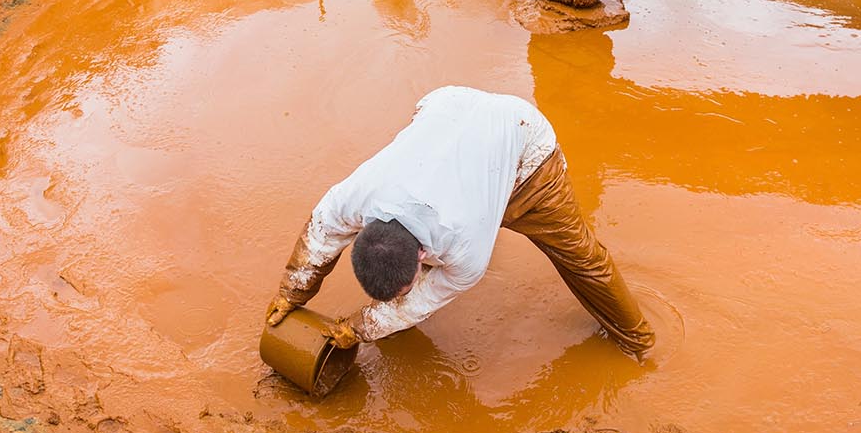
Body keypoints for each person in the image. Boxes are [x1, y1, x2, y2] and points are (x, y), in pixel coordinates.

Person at [263, 86, 655, 358]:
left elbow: (421, 300)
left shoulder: (467, 249)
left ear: (421, 255)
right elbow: (318, 241)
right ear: (364, 228)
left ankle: (638, 340)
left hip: (524, 150)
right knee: (396, 283)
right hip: (446, 106)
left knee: (582, 258)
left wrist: (362, 328)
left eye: (409, 281)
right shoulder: (351, 198)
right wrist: (291, 295)